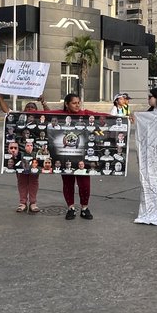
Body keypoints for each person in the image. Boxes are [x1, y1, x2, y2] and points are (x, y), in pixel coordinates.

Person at [0, 94, 45, 213]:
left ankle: (33, 203)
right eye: (28, 107)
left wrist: (43, 102)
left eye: (32, 107)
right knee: (22, 178)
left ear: (36, 110)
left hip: (34, 154)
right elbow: (6, 110)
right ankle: (22, 202)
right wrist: (0, 98)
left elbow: (53, 115)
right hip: (20, 154)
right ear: (24, 110)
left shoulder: (40, 119)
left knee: (33, 179)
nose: (30, 109)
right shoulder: (19, 118)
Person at [59, 92, 94, 220]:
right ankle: (71, 208)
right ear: (66, 104)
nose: (77, 105)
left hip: (82, 157)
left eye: (78, 102)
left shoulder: (85, 114)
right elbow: (42, 115)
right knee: (68, 182)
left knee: (84, 183)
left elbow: (104, 117)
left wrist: (124, 117)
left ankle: (84, 208)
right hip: (65, 156)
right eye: (74, 103)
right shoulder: (60, 115)